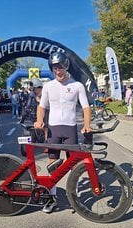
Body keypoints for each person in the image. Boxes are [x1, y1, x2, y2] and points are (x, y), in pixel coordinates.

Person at [34, 51, 91, 213]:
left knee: (73, 165)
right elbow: (42, 107)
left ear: (66, 66)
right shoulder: (48, 86)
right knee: (53, 165)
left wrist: (87, 125)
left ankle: (74, 197)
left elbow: (86, 107)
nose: (57, 71)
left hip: (70, 129)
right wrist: (39, 121)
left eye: (60, 67)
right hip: (53, 130)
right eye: (54, 68)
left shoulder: (77, 86)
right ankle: (51, 198)